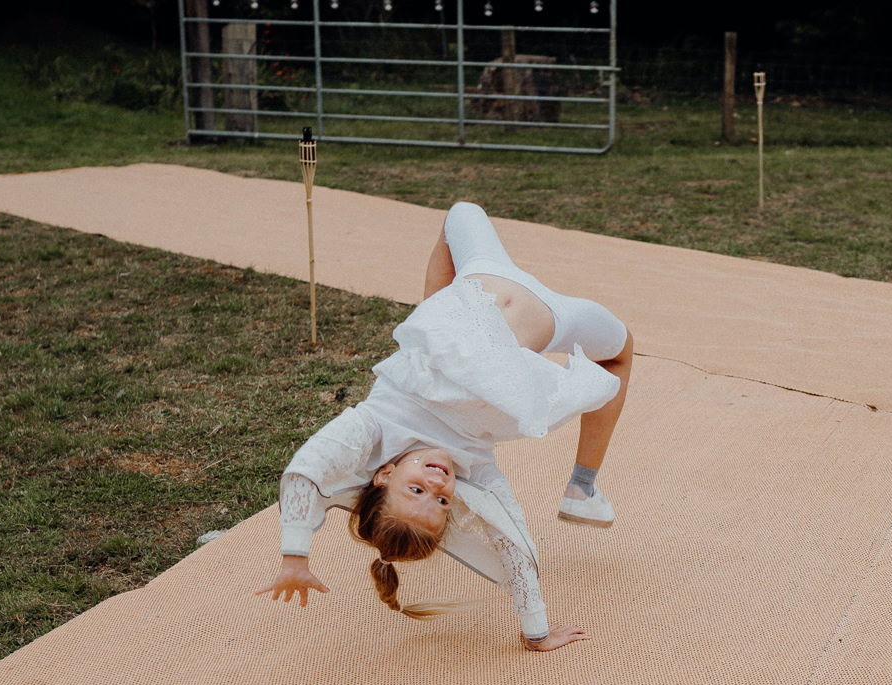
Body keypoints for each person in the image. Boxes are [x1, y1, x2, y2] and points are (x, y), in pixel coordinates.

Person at [256, 201, 634, 652]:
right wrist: (536, 630)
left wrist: (295, 553)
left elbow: (310, 465)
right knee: (620, 353)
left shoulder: (377, 425)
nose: (438, 482)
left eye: (416, 489)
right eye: (440, 500)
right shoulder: (474, 471)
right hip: (554, 316)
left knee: (462, 210)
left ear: (384, 475)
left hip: (480, 278)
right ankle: (583, 487)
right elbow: (512, 541)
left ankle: (438, 311)